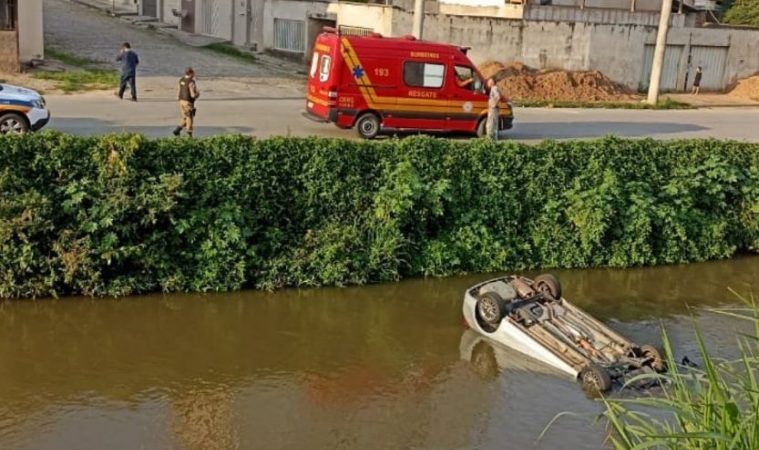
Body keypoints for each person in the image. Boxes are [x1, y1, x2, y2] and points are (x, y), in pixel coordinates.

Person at [173, 67, 199, 137]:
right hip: (188, 102)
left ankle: (177, 130)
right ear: (190, 73)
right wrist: (197, 94)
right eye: (193, 73)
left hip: (181, 101)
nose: (194, 75)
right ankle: (189, 133)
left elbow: (179, 90)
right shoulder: (191, 82)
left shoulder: (181, 80)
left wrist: (178, 98)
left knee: (184, 117)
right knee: (189, 117)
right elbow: (192, 95)